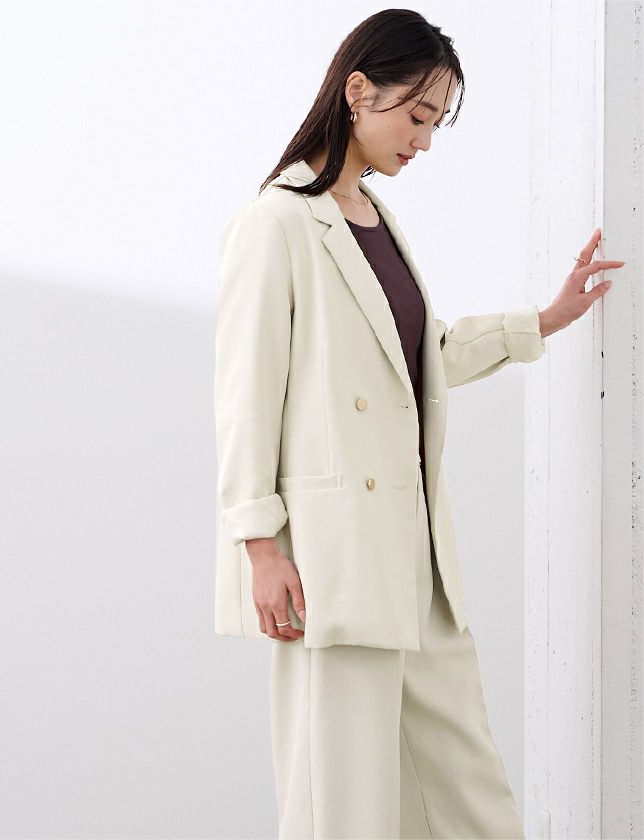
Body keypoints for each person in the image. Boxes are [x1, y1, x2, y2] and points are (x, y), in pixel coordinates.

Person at [213, 9, 624, 839]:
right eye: (418, 116)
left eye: (436, 123)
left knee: (468, 794)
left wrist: (543, 320)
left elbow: (419, 361)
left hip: (415, 560)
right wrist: (260, 545)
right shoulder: (278, 221)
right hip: (330, 563)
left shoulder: (373, 217)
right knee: (341, 805)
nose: (425, 141)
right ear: (358, 90)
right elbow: (246, 393)